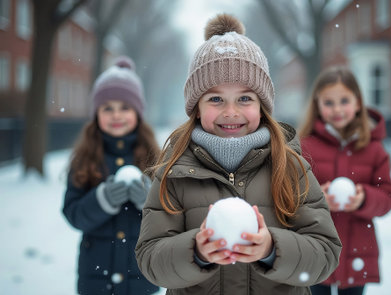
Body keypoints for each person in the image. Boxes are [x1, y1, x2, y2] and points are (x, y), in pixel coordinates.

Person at [135, 14, 341, 295]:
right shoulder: (173, 171)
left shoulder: (290, 167)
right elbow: (150, 258)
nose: (230, 112)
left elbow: (326, 252)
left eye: (245, 98)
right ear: (196, 107)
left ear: (262, 106)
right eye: (215, 99)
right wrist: (195, 251)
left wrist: (271, 249)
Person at [62, 56, 160, 295]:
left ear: (138, 112)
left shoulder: (155, 159)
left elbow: (171, 217)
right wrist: (101, 200)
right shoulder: (85, 159)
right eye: (108, 108)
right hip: (96, 280)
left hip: (141, 277)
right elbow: (73, 213)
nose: (116, 115)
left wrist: (149, 202)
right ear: (97, 114)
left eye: (125, 107)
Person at [298, 66, 391, 295]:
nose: (337, 109)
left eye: (344, 100)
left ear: (358, 103)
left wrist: (364, 199)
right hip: (316, 249)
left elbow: (388, 196)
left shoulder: (374, 150)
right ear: (317, 105)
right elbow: (291, 194)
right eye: (329, 102)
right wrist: (317, 198)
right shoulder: (305, 147)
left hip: (357, 253)